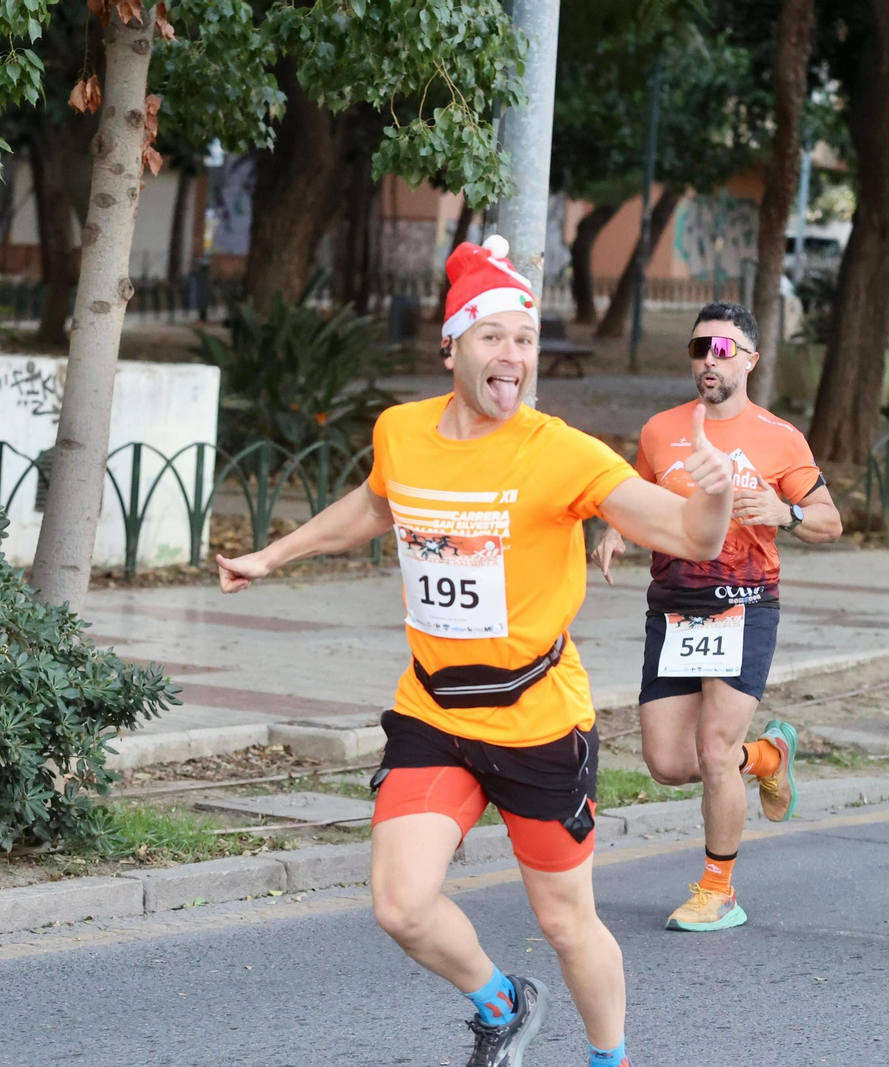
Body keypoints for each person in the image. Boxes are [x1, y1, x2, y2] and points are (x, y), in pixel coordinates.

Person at [218, 236, 736, 1067]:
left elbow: (682, 532)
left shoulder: (555, 449)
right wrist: (272, 555)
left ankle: (611, 1059)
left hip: (536, 719)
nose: (514, 355)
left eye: (524, 340)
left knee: (567, 922)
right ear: (452, 344)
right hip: (434, 709)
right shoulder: (402, 431)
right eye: (494, 336)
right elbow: (373, 505)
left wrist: (711, 499)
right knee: (400, 903)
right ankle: (501, 1002)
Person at [591, 302, 842, 932]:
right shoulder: (659, 430)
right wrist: (615, 530)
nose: (709, 359)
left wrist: (784, 514)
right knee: (670, 763)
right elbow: (635, 496)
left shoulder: (781, 438)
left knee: (712, 747)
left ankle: (717, 889)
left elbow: (830, 522)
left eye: (724, 349)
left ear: (751, 360)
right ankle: (769, 759)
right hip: (674, 608)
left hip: (745, 603)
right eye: (700, 348)